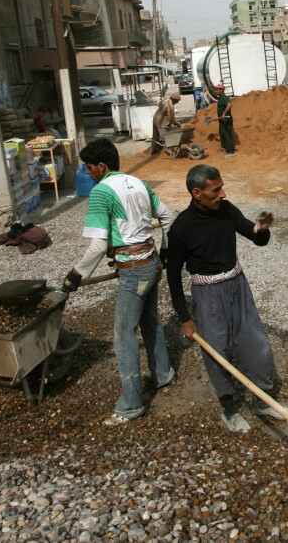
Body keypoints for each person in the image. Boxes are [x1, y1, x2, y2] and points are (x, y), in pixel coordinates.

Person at [165, 164, 288, 433]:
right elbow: (173, 277)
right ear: (197, 193)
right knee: (217, 352)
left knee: (257, 344)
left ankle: (262, 400)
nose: (222, 194)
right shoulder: (180, 229)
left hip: (238, 287)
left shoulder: (226, 210)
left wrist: (262, 228)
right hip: (207, 295)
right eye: (216, 189)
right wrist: (185, 318)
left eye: (222, 187)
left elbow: (256, 237)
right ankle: (230, 409)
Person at [61, 138, 177, 426]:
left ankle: (131, 405)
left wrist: (75, 275)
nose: (88, 173)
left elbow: (99, 246)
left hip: (134, 270)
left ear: (102, 166)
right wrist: (165, 251)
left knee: (123, 335)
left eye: (89, 168)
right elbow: (167, 216)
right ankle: (163, 375)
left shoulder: (101, 192)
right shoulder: (138, 182)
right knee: (150, 322)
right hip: (151, 262)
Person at [213, 83, 236, 158]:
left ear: (221, 90)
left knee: (227, 135)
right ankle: (224, 147)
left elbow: (229, 105)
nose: (215, 91)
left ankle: (231, 152)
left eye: (217, 90)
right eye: (215, 89)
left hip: (227, 120)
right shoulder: (220, 98)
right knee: (222, 133)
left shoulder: (225, 97)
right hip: (222, 121)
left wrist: (224, 113)